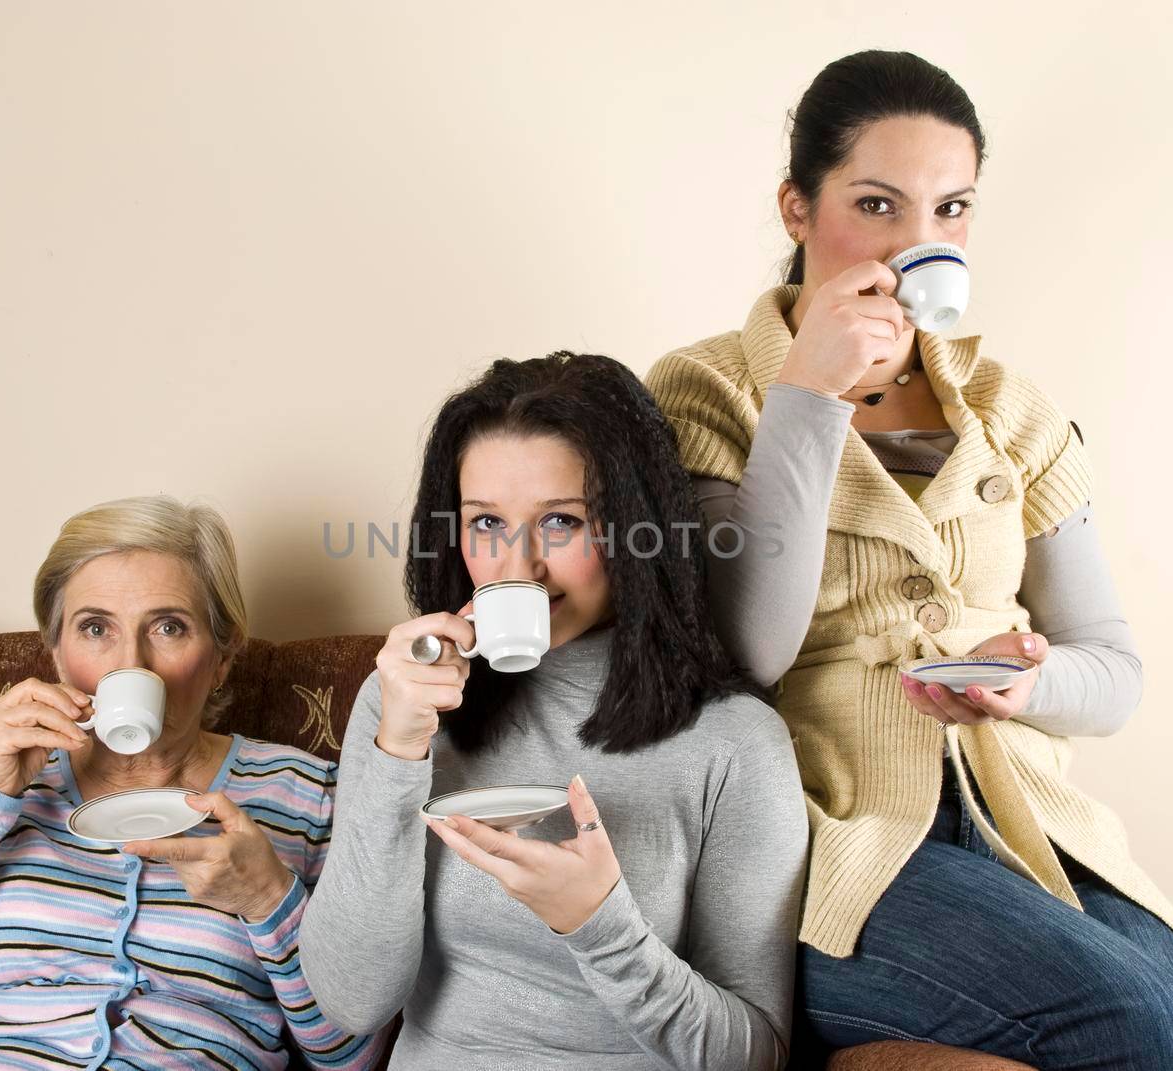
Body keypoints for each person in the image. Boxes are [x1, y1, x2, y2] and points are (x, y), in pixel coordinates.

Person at [645, 50, 1173, 1069]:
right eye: (878, 205)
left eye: (951, 209)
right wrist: (808, 394)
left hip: (1026, 824)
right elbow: (744, 649)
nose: (918, 243)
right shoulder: (707, 392)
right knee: (1141, 1026)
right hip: (835, 846)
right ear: (797, 209)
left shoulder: (1012, 410)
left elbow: (1110, 670)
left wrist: (1031, 681)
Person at [297, 352, 808, 1070]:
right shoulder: (405, 699)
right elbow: (351, 1002)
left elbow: (757, 1055)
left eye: (562, 521)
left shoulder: (736, 745)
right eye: (486, 523)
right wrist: (397, 751)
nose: (519, 565)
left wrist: (603, 927)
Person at [0, 496, 384, 1070]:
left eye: (169, 626)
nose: (130, 663)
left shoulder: (306, 794)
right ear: (57, 655)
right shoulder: (1, 783)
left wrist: (268, 901)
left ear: (223, 658)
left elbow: (348, 1057)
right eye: (96, 628)